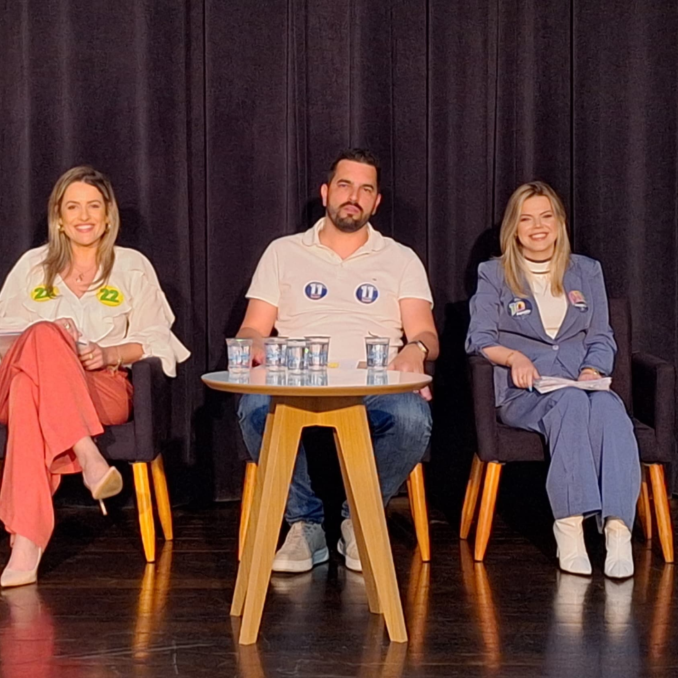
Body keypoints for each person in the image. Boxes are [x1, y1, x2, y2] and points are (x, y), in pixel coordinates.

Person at [0, 165, 190, 587]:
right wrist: (52, 344)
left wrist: (107, 352)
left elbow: (159, 341)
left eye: (94, 206)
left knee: (28, 392)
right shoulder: (31, 266)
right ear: (58, 216)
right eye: (72, 206)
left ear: (109, 215)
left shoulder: (132, 267)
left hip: (101, 385)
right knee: (40, 340)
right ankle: (88, 455)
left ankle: (26, 542)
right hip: (13, 379)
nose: (84, 216)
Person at [236, 148, 439, 574]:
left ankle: (358, 520)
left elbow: (425, 334)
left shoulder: (400, 258)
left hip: (376, 381)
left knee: (412, 419)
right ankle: (304, 524)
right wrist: (251, 343)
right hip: (297, 378)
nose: (354, 196)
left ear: (376, 201)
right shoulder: (283, 252)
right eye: (345, 185)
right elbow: (254, 326)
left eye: (366, 189)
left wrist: (415, 349)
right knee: (255, 408)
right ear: (326, 192)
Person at [465, 181, 639, 578]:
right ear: (514, 228)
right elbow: (479, 339)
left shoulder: (586, 270)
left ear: (559, 223)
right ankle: (570, 527)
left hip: (580, 382)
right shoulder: (494, 273)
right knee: (572, 404)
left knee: (611, 408)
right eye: (526, 219)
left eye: (546, 217)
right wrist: (514, 357)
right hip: (525, 391)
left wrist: (593, 369)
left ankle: (617, 529)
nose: (537, 227)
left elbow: (600, 335)